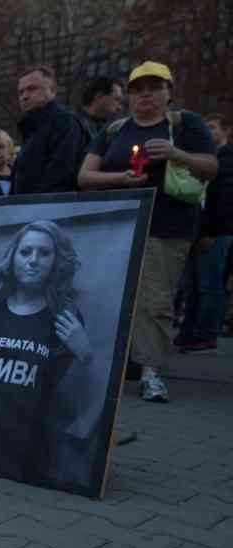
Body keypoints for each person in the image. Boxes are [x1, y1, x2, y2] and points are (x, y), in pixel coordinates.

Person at [78, 60, 217, 402]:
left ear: (168, 92)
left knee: (154, 300)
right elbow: (84, 177)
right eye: (138, 90)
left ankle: (152, 372)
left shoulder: (185, 124)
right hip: (117, 226)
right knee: (111, 298)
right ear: (128, 97)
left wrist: (175, 153)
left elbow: (211, 167)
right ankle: (117, 365)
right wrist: (121, 180)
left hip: (167, 226)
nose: (146, 96)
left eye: (154, 88)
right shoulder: (114, 131)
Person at [0, 220, 91, 485]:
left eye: (44, 253)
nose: (33, 260)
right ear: (12, 258)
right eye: (25, 252)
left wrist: (85, 355)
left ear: (57, 261)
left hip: (25, 456)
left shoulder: (64, 318)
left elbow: (69, 403)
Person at [176, 113, 232, 354]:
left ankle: (206, 333)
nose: (208, 132)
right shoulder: (204, 158)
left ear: (225, 131)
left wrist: (213, 231)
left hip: (216, 231)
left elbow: (225, 200)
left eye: (213, 127)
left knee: (210, 284)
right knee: (192, 285)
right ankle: (189, 331)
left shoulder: (226, 159)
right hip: (196, 230)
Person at [12, 65, 89, 195]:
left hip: (50, 209)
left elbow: (62, 173)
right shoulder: (31, 127)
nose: (24, 96)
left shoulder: (64, 122)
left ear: (52, 91)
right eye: (21, 92)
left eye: (32, 89)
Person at [77, 77, 124, 141]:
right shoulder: (73, 126)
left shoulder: (112, 129)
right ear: (99, 96)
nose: (120, 108)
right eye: (116, 99)